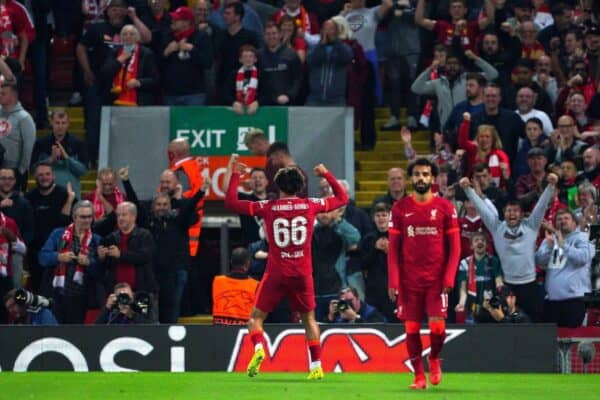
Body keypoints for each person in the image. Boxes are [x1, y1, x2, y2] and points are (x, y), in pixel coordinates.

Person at [225, 154, 348, 379]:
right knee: (308, 319)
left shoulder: (268, 207)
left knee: (255, 318)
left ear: (277, 186)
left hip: (276, 272)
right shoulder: (310, 204)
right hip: (302, 272)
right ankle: (316, 365)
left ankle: (260, 349)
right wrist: (326, 174)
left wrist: (234, 173)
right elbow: (342, 198)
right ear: (300, 186)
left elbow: (232, 203)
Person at [387, 158, 461, 389]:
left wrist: (449, 277)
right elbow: (393, 250)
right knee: (411, 329)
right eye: (417, 174)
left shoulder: (445, 208)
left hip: (436, 280)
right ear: (412, 179)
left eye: (425, 174)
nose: (421, 178)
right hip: (409, 282)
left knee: (438, 328)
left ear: (432, 178)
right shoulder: (400, 208)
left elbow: (456, 247)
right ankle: (419, 376)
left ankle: (435, 358)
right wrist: (394, 281)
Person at [459, 171, 559, 322]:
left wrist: (551, 186)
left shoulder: (531, 226)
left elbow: (541, 206)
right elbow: (482, 209)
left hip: (530, 286)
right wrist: (468, 190)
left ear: (521, 214)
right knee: (507, 325)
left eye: (515, 211)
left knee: (534, 325)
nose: (512, 214)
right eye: (508, 211)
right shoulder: (497, 228)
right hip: (507, 287)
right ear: (503, 213)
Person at [38, 200, 102, 324]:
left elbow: (101, 271)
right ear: (74, 217)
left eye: (90, 217)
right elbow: (42, 257)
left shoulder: (97, 240)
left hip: (81, 298)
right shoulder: (58, 234)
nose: (87, 220)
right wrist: (59, 257)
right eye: (83, 217)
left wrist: (89, 263)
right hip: (56, 295)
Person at [535, 209, 593, 327]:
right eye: (559, 219)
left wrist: (563, 245)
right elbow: (539, 261)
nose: (563, 221)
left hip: (575, 301)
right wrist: (551, 247)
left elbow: (583, 258)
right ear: (555, 224)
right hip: (552, 302)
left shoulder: (583, 237)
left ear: (574, 223)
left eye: (566, 218)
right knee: (550, 341)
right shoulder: (549, 240)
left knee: (572, 340)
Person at [30, 108, 89, 198]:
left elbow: (83, 171)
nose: (60, 126)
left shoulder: (78, 143)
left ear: (68, 124)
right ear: (51, 123)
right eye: (57, 123)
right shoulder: (41, 143)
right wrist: (50, 160)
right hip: (46, 194)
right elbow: (33, 170)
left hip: (71, 195)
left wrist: (67, 158)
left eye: (63, 123)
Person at [101, 24, 158, 106]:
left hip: (139, 100)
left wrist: (138, 82)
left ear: (137, 37)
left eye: (131, 34)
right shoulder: (114, 52)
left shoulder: (146, 53)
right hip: (115, 98)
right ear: (121, 38)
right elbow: (105, 73)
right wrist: (119, 61)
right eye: (124, 34)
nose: (128, 36)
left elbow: (155, 79)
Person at [359, 202, 397, 322]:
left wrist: (389, 252)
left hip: (393, 290)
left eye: (384, 215)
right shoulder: (368, 239)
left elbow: (406, 264)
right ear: (373, 218)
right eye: (378, 215)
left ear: (390, 217)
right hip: (373, 290)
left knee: (394, 324)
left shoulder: (398, 237)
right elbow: (362, 264)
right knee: (373, 323)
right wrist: (375, 249)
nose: (381, 218)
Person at [455, 232, 503, 324]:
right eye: (476, 240)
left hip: (490, 306)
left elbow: (499, 283)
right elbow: (463, 289)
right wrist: (461, 303)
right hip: (472, 306)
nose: (480, 242)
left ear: (487, 245)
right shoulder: (465, 263)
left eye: (483, 240)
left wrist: (500, 300)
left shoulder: (494, 261)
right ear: (471, 246)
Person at [0, 82, 36, 191]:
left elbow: (28, 147)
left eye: (3, 94)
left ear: (13, 96)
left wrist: (21, 170)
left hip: (15, 171)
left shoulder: (24, 118)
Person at [212, 247, 259, 325]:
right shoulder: (255, 285)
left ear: (231, 262)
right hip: (244, 332)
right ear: (247, 263)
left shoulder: (217, 281)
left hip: (219, 332)